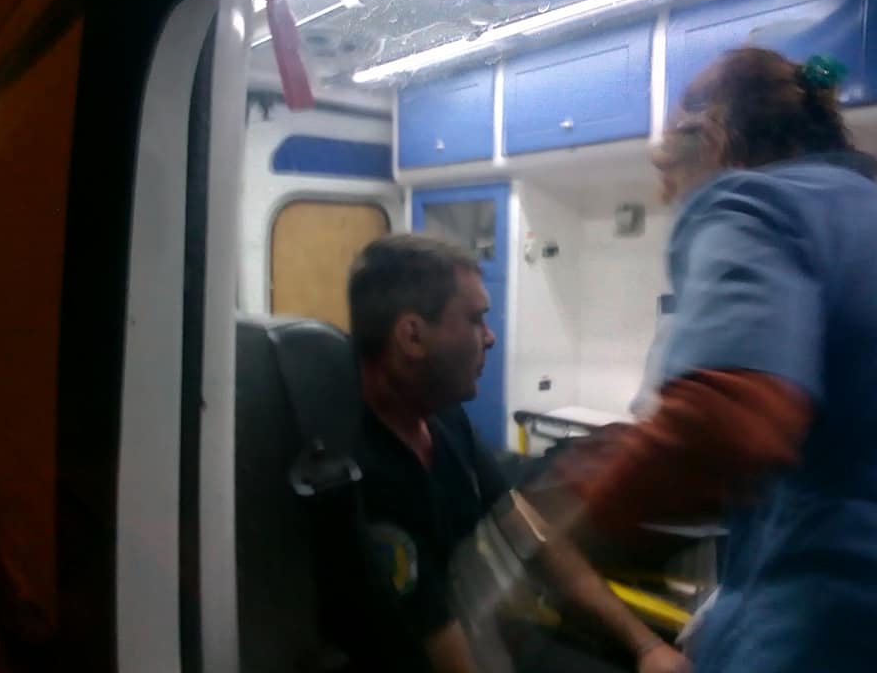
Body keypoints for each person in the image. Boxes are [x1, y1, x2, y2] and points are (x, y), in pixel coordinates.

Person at [556, 47, 877, 672]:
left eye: (669, 173)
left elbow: (726, 423)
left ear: (711, 141)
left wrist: (570, 522)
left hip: (828, 624)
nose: (668, 195)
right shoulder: (859, 207)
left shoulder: (752, 203)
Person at [347, 234, 689, 673]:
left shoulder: (443, 418)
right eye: (475, 319)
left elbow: (532, 534)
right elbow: (437, 640)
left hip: (486, 631)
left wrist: (645, 646)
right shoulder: (367, 472)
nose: (489, 337)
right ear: (412, 335)